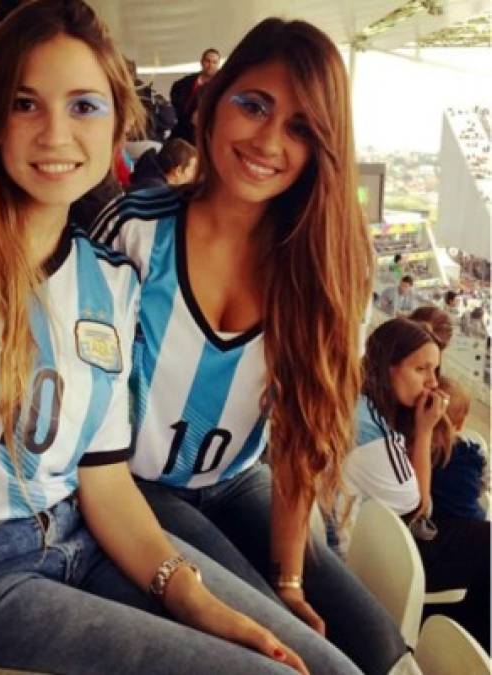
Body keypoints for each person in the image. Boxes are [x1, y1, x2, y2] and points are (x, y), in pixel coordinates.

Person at [0, 2, 362, 673]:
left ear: (115, 122)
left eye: (83, 107)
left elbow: (102, 480)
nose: (55, 134)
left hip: (79, 545)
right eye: (26, 103)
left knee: (328, 668)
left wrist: (195, 597)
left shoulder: (108, 281)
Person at [91, 17, 414, 675]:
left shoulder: (321, 270)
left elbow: (299, 437)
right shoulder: (133, 231)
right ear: (213, 102)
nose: (269, 140)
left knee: (379, 648)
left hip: (238, 482)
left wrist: (290, 578)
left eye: (300, 127)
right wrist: (273, 597)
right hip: (135, 488)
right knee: (309, 661)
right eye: (254, 105)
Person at [341, 318, 490, 652]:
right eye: (422, 369)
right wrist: (424, 431)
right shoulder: (376, 436)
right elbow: (421, 508)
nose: (432, 383)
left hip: (364, 536)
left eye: (435, 370)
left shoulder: (359, 404)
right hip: (367, 553)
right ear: (388, 367)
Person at [430, 376, 488, 522]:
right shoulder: (472, 453)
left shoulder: (419, 451)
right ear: (460, 424)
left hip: (436, 523)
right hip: (472, 521)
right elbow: (485, 482)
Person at [169, 47, 219, 144]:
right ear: (202, 62)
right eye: (208, 61)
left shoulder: (221, 84)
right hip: (182, 127)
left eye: (214, 62)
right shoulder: (187, 81)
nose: (210, 65)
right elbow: (175, 90)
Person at [130, 137, 197, 189]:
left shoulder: (147, 174)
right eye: (192, 169)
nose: (193, 175)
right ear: (178, 171)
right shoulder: (157, 192)